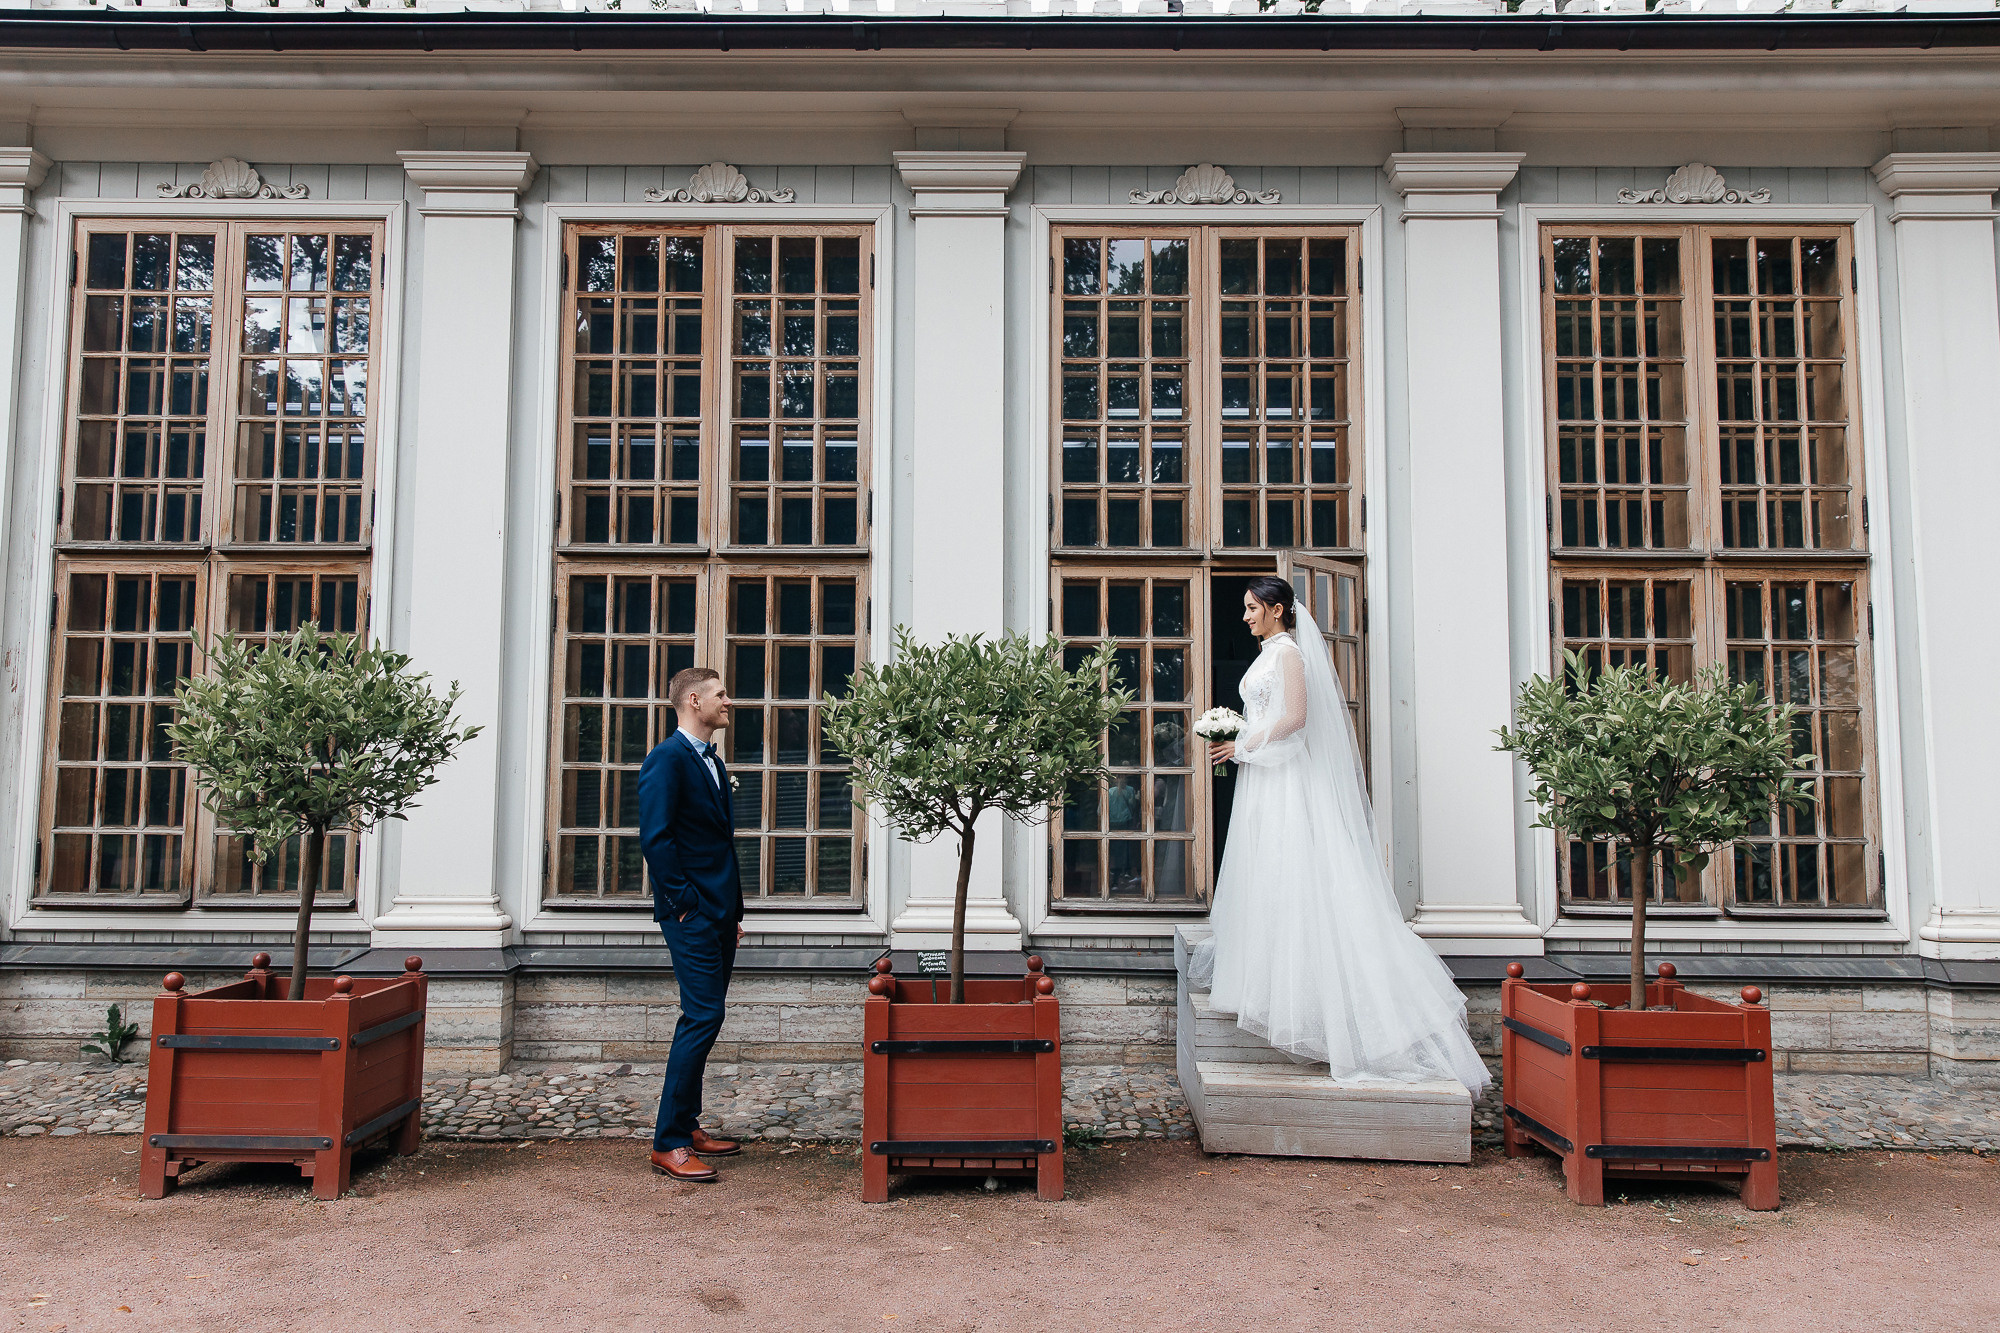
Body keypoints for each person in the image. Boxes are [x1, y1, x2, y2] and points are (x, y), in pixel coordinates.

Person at [1191, 577, 1491, 1095]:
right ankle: (1270, 983)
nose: (1243, 616)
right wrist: (1240, 737)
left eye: (1251, 608)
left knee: (1299, 873)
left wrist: (1242, 742)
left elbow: (1296, 717)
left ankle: (1331, 1009)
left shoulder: (1288, 654)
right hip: (1264, 776)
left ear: (1277, 609)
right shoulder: (1266, 654)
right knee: (1269, 876)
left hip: (1286, 779)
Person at [639, 666, 748, 1181]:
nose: (729, 701)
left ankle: (688, 1122)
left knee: (708, 1016)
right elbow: (657, 840)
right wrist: (686, 906)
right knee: (702, 1016)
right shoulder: (666, 760)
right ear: (693, 699)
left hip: (719, 915)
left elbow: (717, 846)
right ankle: (670, 1142)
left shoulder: (711, 760)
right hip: (693, 915)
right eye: (721, 695)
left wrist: (733, 915)